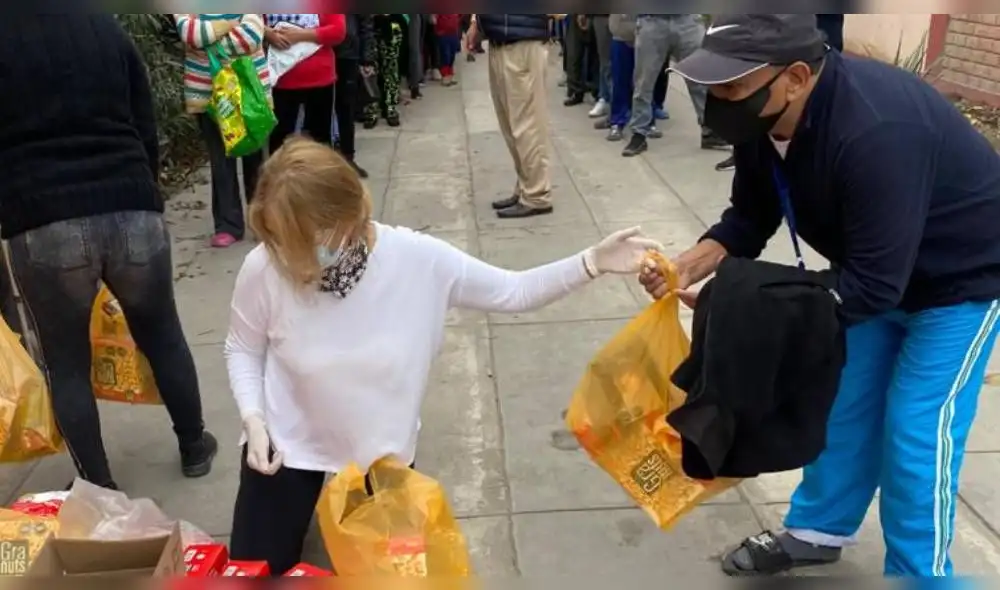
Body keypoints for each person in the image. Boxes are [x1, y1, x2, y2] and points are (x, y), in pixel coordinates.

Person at [641, 14, 1000, 577]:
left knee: (915, 431)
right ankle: (816, 531)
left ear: (796, 77)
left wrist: (742, 303)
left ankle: (922, 575)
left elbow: (875, 287)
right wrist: (689, 265)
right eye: (712, 88)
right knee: (842, 406)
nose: (718, 102)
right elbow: (750, 216)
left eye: (732, 87)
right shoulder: (765, 119)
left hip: (958, 285)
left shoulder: (876, 131)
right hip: (870, 271)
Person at [224, 138, 663, 575]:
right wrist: (254, 420)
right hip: (285, 444)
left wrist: (592, 261)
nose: (288, 256)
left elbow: (515, 290)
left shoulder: (418, 260)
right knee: (249, 574)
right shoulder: (265, 267)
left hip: (382, 457)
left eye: (301, 242)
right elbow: (243, 346)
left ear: (347, 218)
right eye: (278, 241)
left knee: (393, 579)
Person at [0, 14, 218, 490]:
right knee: (162, 332)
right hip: (130, 199)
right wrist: (145, 184)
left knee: (66, 361)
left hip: (43, 219)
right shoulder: (102, 25)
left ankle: (99, 486)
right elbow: (144, 117)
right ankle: (194, 444)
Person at [176, 13, 270, 248]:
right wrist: (229, 25)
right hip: (208, 93)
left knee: (255, 158)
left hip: (249, 91)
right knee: (220, 159)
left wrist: (208, 42)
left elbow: (251, 36)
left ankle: (263, 220)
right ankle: (228, 225)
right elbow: (189, 34)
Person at [468, 14, 557, 219]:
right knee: (510, 124)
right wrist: (476, 22)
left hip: (523, 43)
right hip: (501, 38)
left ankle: (537, 195)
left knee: (527, 124)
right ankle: (527, 186)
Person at [622, 14, 728, 157]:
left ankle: (710, 130)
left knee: (701, 79)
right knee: (643, 82)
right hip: (652, 19)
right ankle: (639, 134)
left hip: (688, 20)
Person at [263, 14, 346, 152]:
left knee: (319, 145)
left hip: (319, 79)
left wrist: (299, 35)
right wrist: (267, 32)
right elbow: (248, 22)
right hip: (281, 79)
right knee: (279, 146)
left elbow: (338, 31)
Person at [333, 15, 376, 178]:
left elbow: (366, 23)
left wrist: (367, 58)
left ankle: (347, 158)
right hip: (320, 50)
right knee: (320, 112)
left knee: (346, 109)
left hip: (348, 54)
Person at [364, 14, 407, 129]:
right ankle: (372, 107)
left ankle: (390, 107)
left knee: (390, 69)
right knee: (370, 69)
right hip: (368, 27)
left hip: (392, 26)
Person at [434, 13, 462, 86]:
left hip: (453, 32)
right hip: (442, 33)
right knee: (445, 55)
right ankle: (445, 76)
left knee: (452, 55)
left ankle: (449, 75)